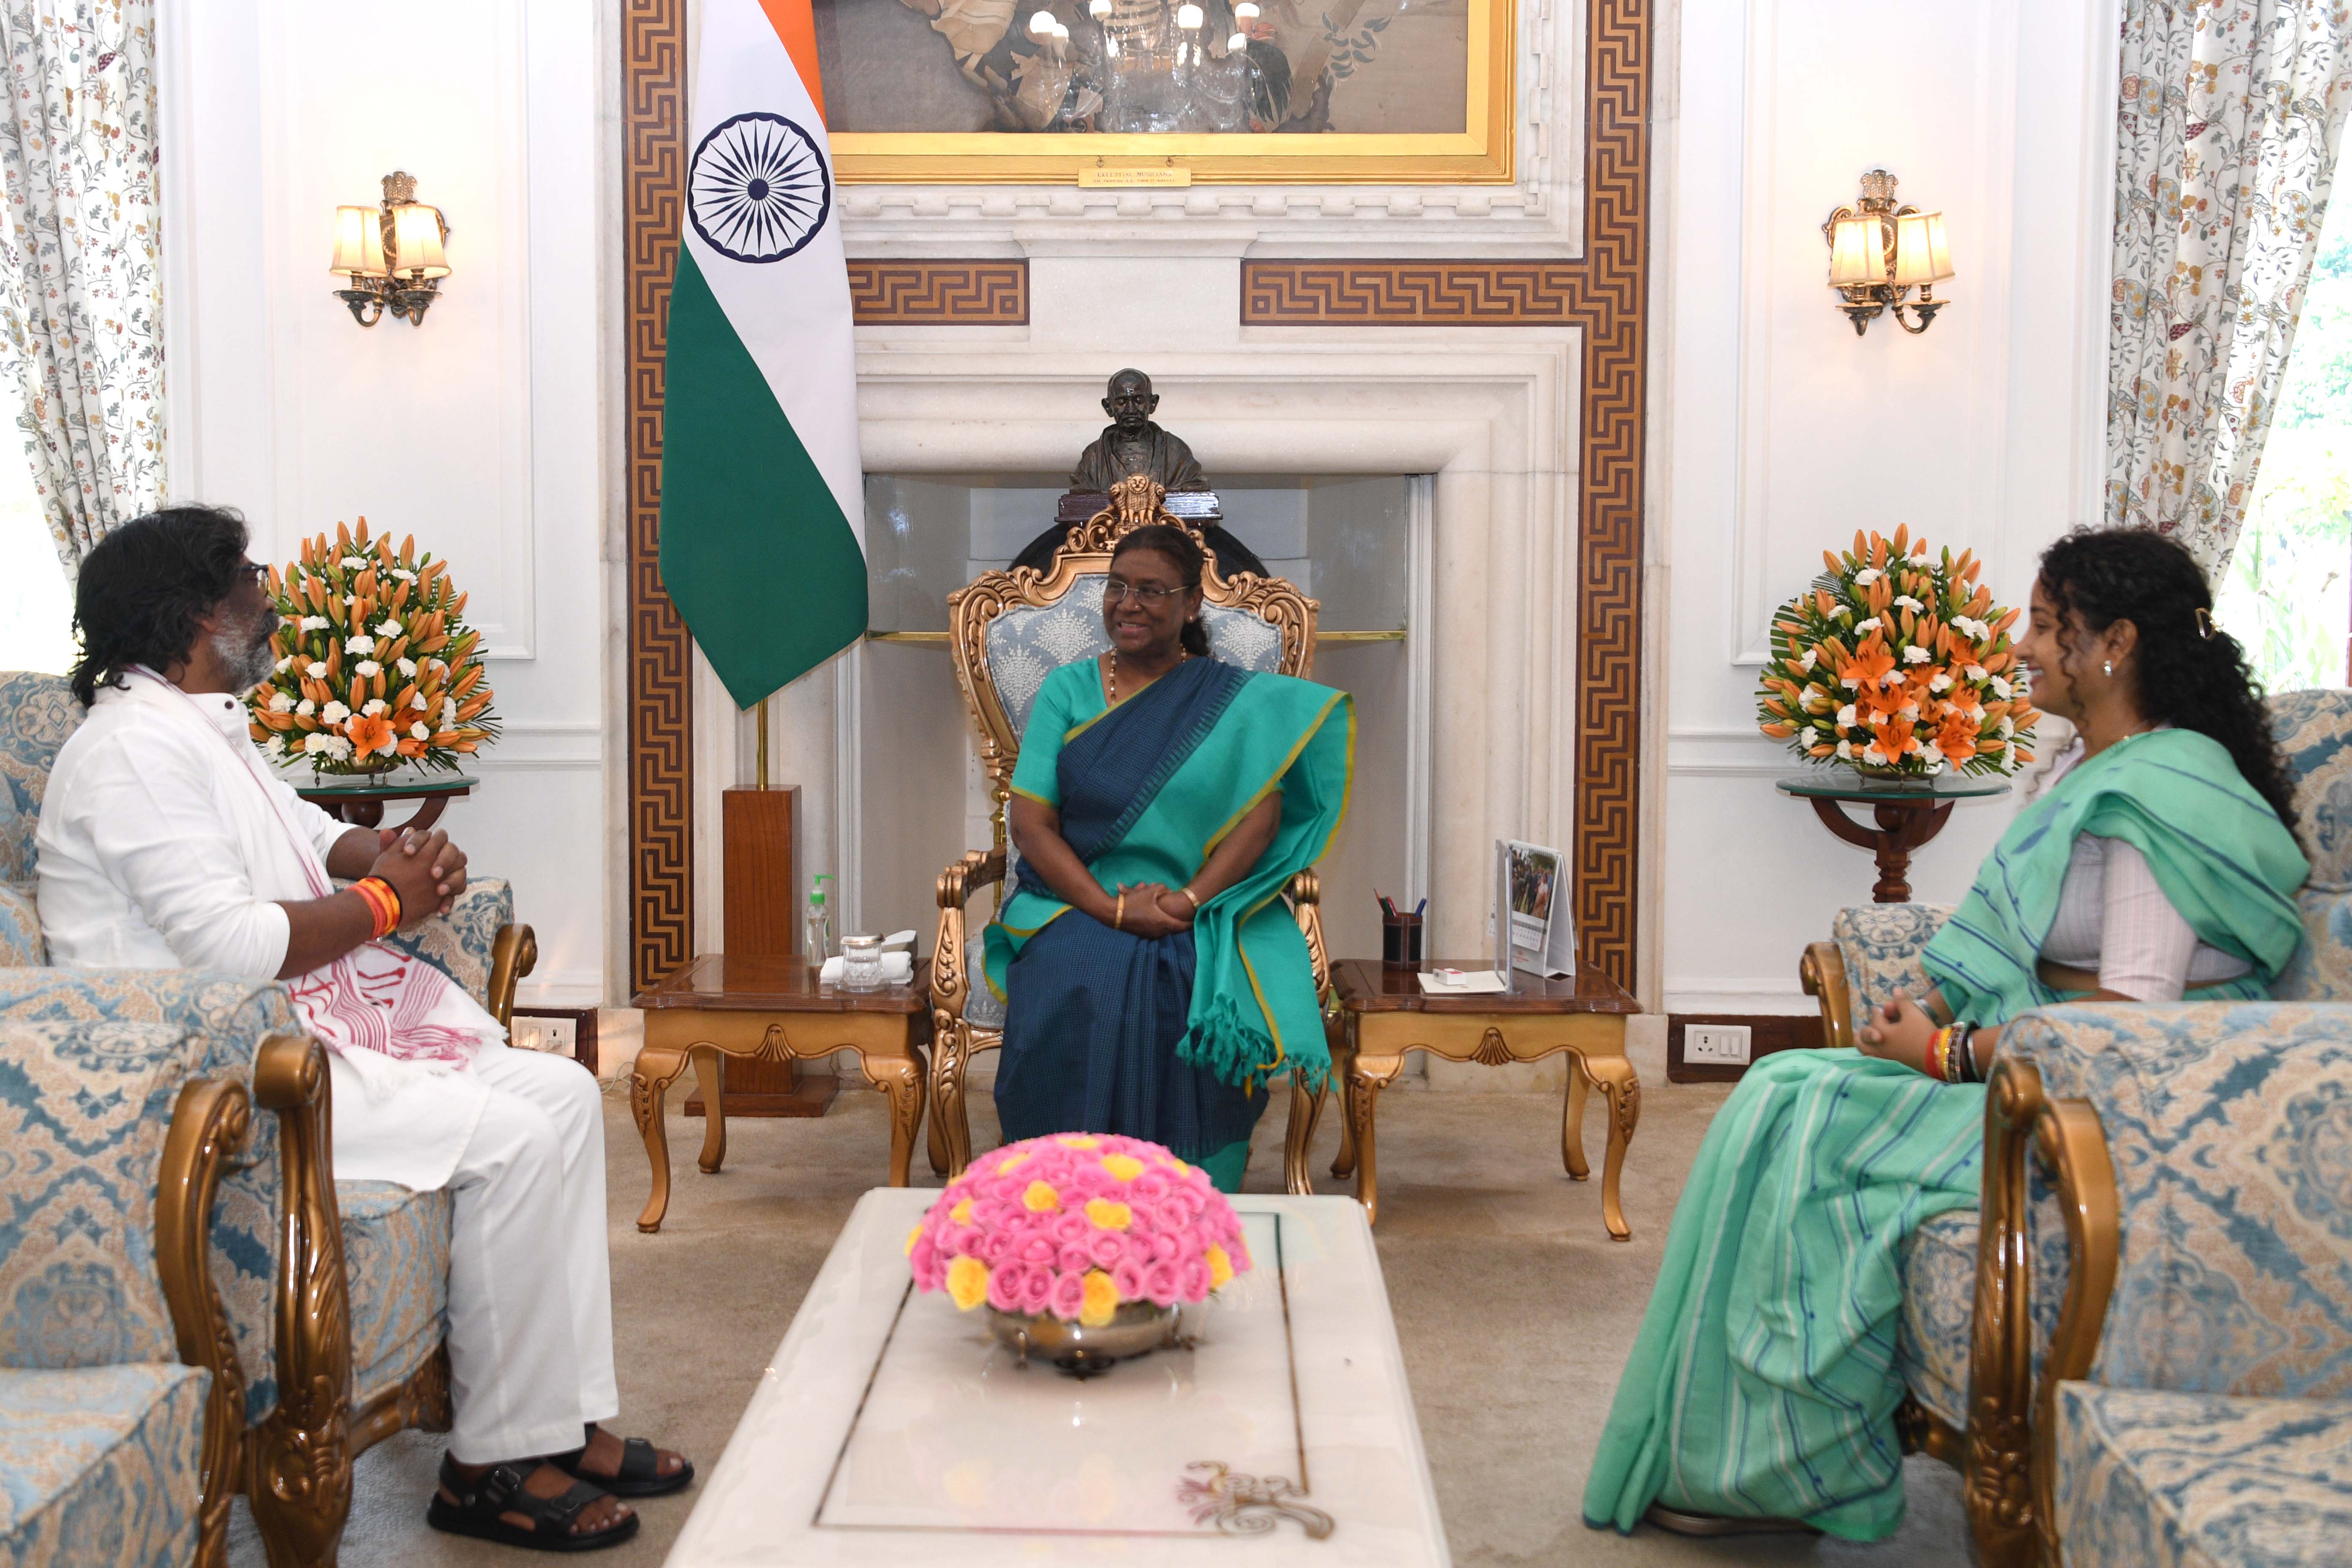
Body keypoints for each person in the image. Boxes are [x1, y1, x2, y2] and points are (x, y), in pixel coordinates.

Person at [1583, 527, 2308, 1541]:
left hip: (2110, 1108)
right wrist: (1924, 1004)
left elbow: (2134, 1028)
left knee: (1808, 1125)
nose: (2022, 644)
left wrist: (1943, 1053)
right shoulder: (2092, 767)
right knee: (1776, 1090)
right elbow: (2012, 936)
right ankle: (1746, 1454)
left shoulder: (2156, 792)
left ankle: (1800, 1464)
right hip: (2042, 1057)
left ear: (2116, 643)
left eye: (2048, 625)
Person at [35, 506, 691, 1553]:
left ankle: (557, 1423)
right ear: (199, 610)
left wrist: (382, 854)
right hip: (209, 1078)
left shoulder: (189, 721)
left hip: (279, 1035)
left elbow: (298, 829)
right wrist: (390, 904)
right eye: (250, 575)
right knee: (513, 1137)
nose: (269, 596)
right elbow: (230, 945)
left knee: (563, 1093)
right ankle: (488, 1469)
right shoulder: (130, 753)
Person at [987, 524, 1353, 1192]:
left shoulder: (1229, 700)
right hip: (1074, 900)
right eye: (1118, 588)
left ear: (1190, 605)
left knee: (1193, 979)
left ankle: (1189, 1186)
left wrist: (1188, 902)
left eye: (1152, 591)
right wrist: (1111, 910)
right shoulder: (1068, 690)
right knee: (1077, 971)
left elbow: (1261, 819)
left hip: (1199, 903)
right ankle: (1063, 1180)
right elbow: (1032, 826)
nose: (1129, 604)